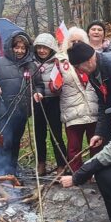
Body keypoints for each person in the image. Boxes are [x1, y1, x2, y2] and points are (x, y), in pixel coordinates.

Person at [0, 31, 35, 174]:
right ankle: (1, 171)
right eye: (16, 47)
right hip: (4, 110)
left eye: (23, 48)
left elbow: (38, 85)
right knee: (6, 142)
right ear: (10, 47)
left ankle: (12, 170)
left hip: (22, 112)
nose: (19, 51)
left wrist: (38, 93)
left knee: (16, 142)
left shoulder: (30, 65)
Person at [55, 27, 100, 172]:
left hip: (93, 107)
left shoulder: (93, 59)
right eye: (72, 41)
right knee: (74, 146)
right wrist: (55, 84)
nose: (75, 43)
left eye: (78, 41)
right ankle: (76, 173)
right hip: (72, 109)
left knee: (96, 143)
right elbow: (54, 84)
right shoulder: (60, 61)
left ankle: (95, 172)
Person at [31, 33, 67, 175]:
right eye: (39, 47)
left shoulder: (58, 61)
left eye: (45, 47)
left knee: (56, 133)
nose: (42, 50)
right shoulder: (31, 62)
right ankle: (41, 163)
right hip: (38, 100)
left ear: (51, 48)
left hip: (54, 100)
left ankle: (61, 164)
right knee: (39, 134)